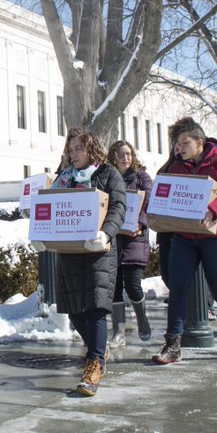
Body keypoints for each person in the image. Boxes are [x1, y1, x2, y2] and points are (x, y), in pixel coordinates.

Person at [151, 117, 217, 364]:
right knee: (177, 289)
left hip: (216, 235)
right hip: (185, 236)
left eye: (185, 143)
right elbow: (165, 194)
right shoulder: (177, 166)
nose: (180, 148)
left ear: (200, 142)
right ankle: (172, 344)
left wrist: (214, 208)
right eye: (177, 143)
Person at [48, 127, 126, 396]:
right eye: (70, 149)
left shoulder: (107, 174)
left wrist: (106, 233)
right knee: (73, 308)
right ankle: (98, 347)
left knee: (95, 306)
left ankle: (94, 366)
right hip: (69, 250)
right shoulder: (64, 178)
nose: (73, 154)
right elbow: (49, 205)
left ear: (91, 148)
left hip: (98, 250)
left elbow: (118, 207)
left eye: (78, 148)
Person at [107, 139, 152, 342]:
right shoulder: (108, 177)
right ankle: (119, 332)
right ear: (113, 157)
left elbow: (149, 203)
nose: (126, 158)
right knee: (114, 284)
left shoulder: (142, 177)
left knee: (133, 284)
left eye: (128, 154)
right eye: (121, 154)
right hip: (115, 237)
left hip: (135, 237)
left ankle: (142, 318)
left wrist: (140, 224)